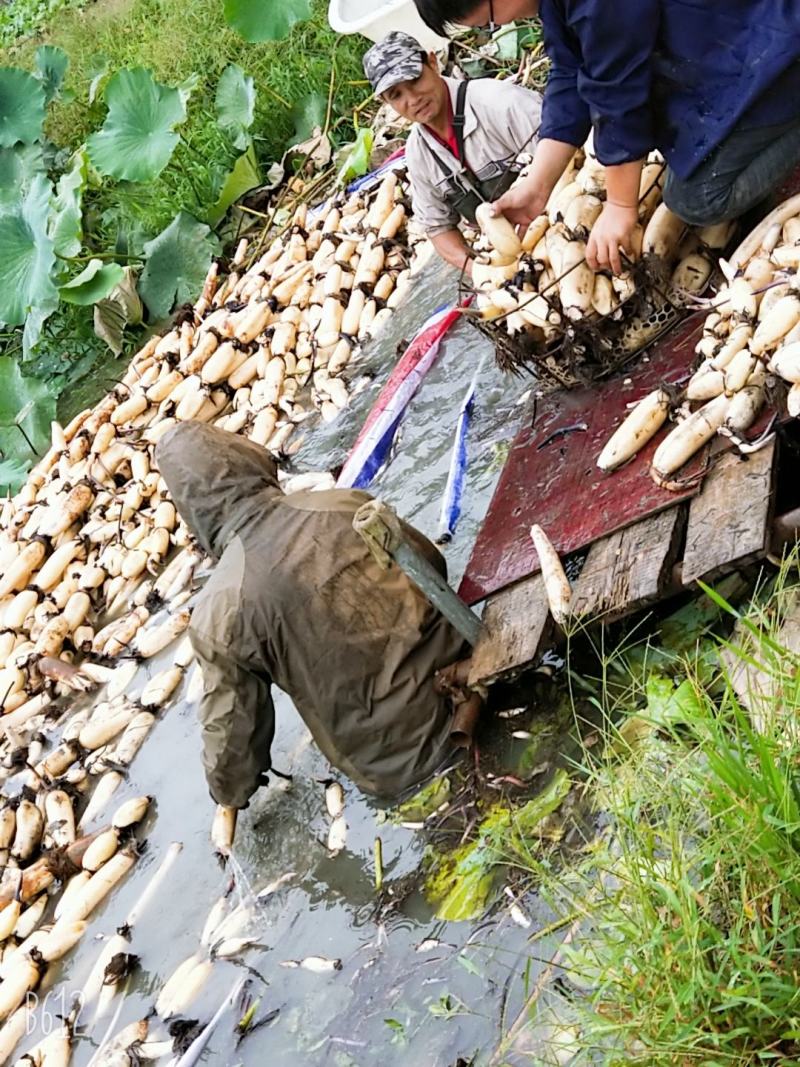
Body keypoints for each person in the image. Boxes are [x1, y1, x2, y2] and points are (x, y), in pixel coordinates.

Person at [154, 421, 472, 811]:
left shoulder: (219, 613)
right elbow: (433, 568)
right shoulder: (344, 504)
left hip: (403, 767)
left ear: (192, 513)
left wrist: (227, 794)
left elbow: (234, 747)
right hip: (477, 676)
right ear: (249, 458)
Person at [411, 0, 800, 275]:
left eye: (488, 22)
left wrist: (619, 205)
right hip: (728, 53)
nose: (495, 28)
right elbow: (570, 74)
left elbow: (616, 89)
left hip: (771, 49)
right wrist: (537, 185)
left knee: (697, 200)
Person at [363, 30, 543, 274]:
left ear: (433, 63)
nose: (413, 99)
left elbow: (573, 158)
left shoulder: (500, 104)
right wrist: (481, 271)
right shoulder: (418, 154)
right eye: (397, 95)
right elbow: (438, 228)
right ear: (387, 102)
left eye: (415, 80)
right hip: (517, 257)